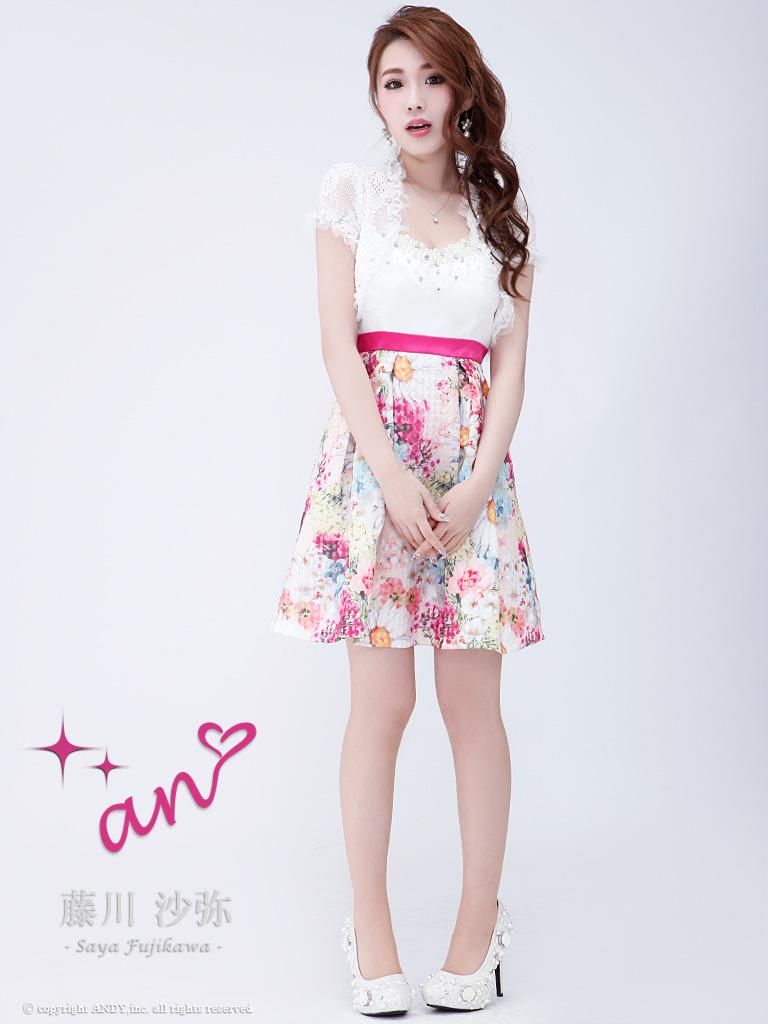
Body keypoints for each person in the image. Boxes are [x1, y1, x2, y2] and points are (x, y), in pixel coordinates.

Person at [271, 5, 545, 1014]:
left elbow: (511, 368)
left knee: (472, 706)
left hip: (474, 476)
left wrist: (474, 488)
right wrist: (391, 478)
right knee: (382, 704)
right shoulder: (351, 196)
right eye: (394, 82)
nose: (414, 101)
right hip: (372, 471)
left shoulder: (498, 211)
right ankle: (371, 928)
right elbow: (338, 346)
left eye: (431, 78)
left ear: (462, 88)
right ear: (376, 99)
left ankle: (479, 929)